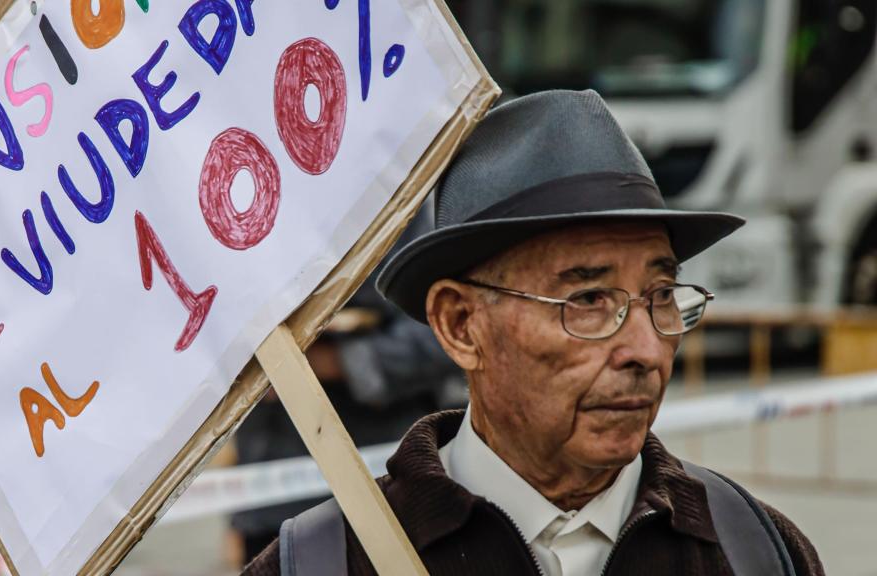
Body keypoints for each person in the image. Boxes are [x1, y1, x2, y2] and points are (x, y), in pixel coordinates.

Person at [241, 90, 824, 575]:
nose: (647, 349)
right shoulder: (329, 562)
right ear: (461, 325)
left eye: (662, 296)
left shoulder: (754, 551)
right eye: (589, 300)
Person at [230, 201, 465, 564]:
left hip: (376, 495)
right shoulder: (236, 213)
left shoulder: (391, 201)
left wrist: (331, 363)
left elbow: (445, 332)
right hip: (269, 507)